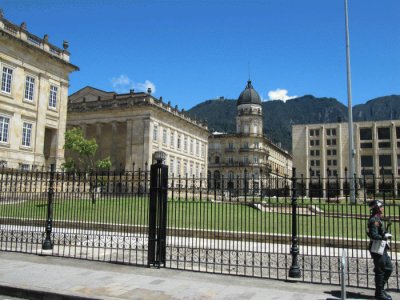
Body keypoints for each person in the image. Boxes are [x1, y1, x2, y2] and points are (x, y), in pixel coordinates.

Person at [367, 200, 393, 300]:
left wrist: (384, 233)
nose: (383, 208)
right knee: (381, 270)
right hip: (376, 247)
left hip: (381, 247)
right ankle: (379, 294)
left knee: (389, 268)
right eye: (381, 206)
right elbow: (373, 235)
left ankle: (380, 290)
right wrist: (383, 236)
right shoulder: (374, 220)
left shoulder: (377, 218)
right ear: (377, 208)